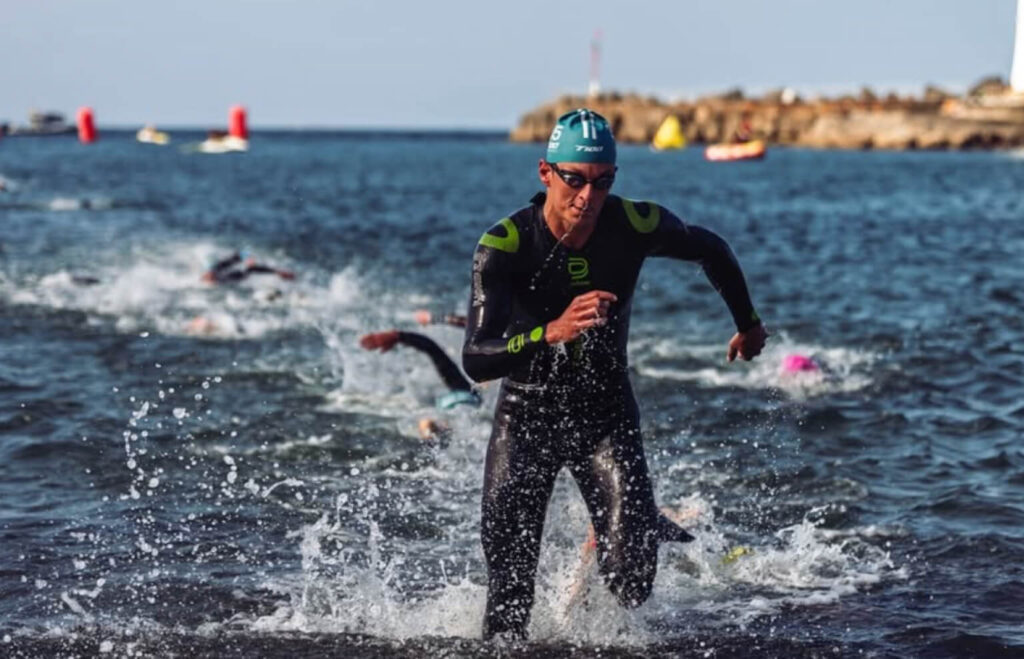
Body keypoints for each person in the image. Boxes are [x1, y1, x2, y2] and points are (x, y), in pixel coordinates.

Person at [462, 108, 767, 639]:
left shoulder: (632, 223)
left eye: (602, 182)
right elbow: (476, 358)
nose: (587, 197)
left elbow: (709, 247)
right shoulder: (505, 244)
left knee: (631, 583)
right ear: (545, 172)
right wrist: (550, 332)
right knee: (509, 602)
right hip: (525, 418)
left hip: (604, 415)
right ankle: (635, 522)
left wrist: (748, 324)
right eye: (573, 180)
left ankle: (634, 525)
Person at [360, 329, 481, 443]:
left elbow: (433, 349)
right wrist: (398, 336)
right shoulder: (469, 397)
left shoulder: (463, 392)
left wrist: (398, 336)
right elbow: (434, 350)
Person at [201, 251, 295, 285]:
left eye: (208, 277)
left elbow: (240, 255)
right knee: (249, 270)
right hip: (236, 278)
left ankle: (280, 272)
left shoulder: (217, 268)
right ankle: (279, 273)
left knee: (250, 268)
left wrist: (249, 258)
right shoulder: (216, 280)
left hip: (237, 274)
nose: (209, 278)